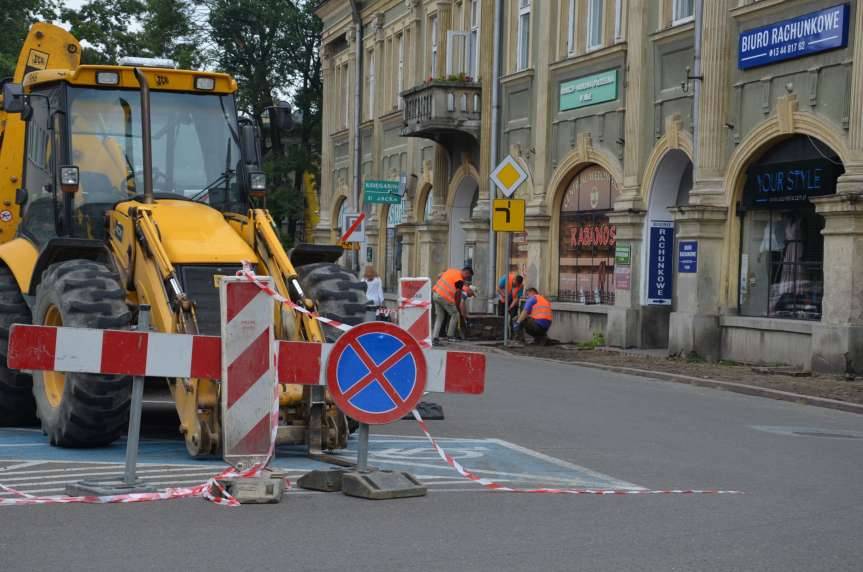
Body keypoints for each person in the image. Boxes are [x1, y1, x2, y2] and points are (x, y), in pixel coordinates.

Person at [432, 266, 474, 340]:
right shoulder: (459, 280)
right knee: (455, 314)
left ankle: (435, 337)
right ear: (466, 272)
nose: (467, 279)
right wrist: (457, 308)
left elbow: (439, 275)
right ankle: (450, 336)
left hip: (435, 294)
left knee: (440, 317)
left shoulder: (451, 270)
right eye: (468, 277)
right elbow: (458, 295)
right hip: (444, 297)